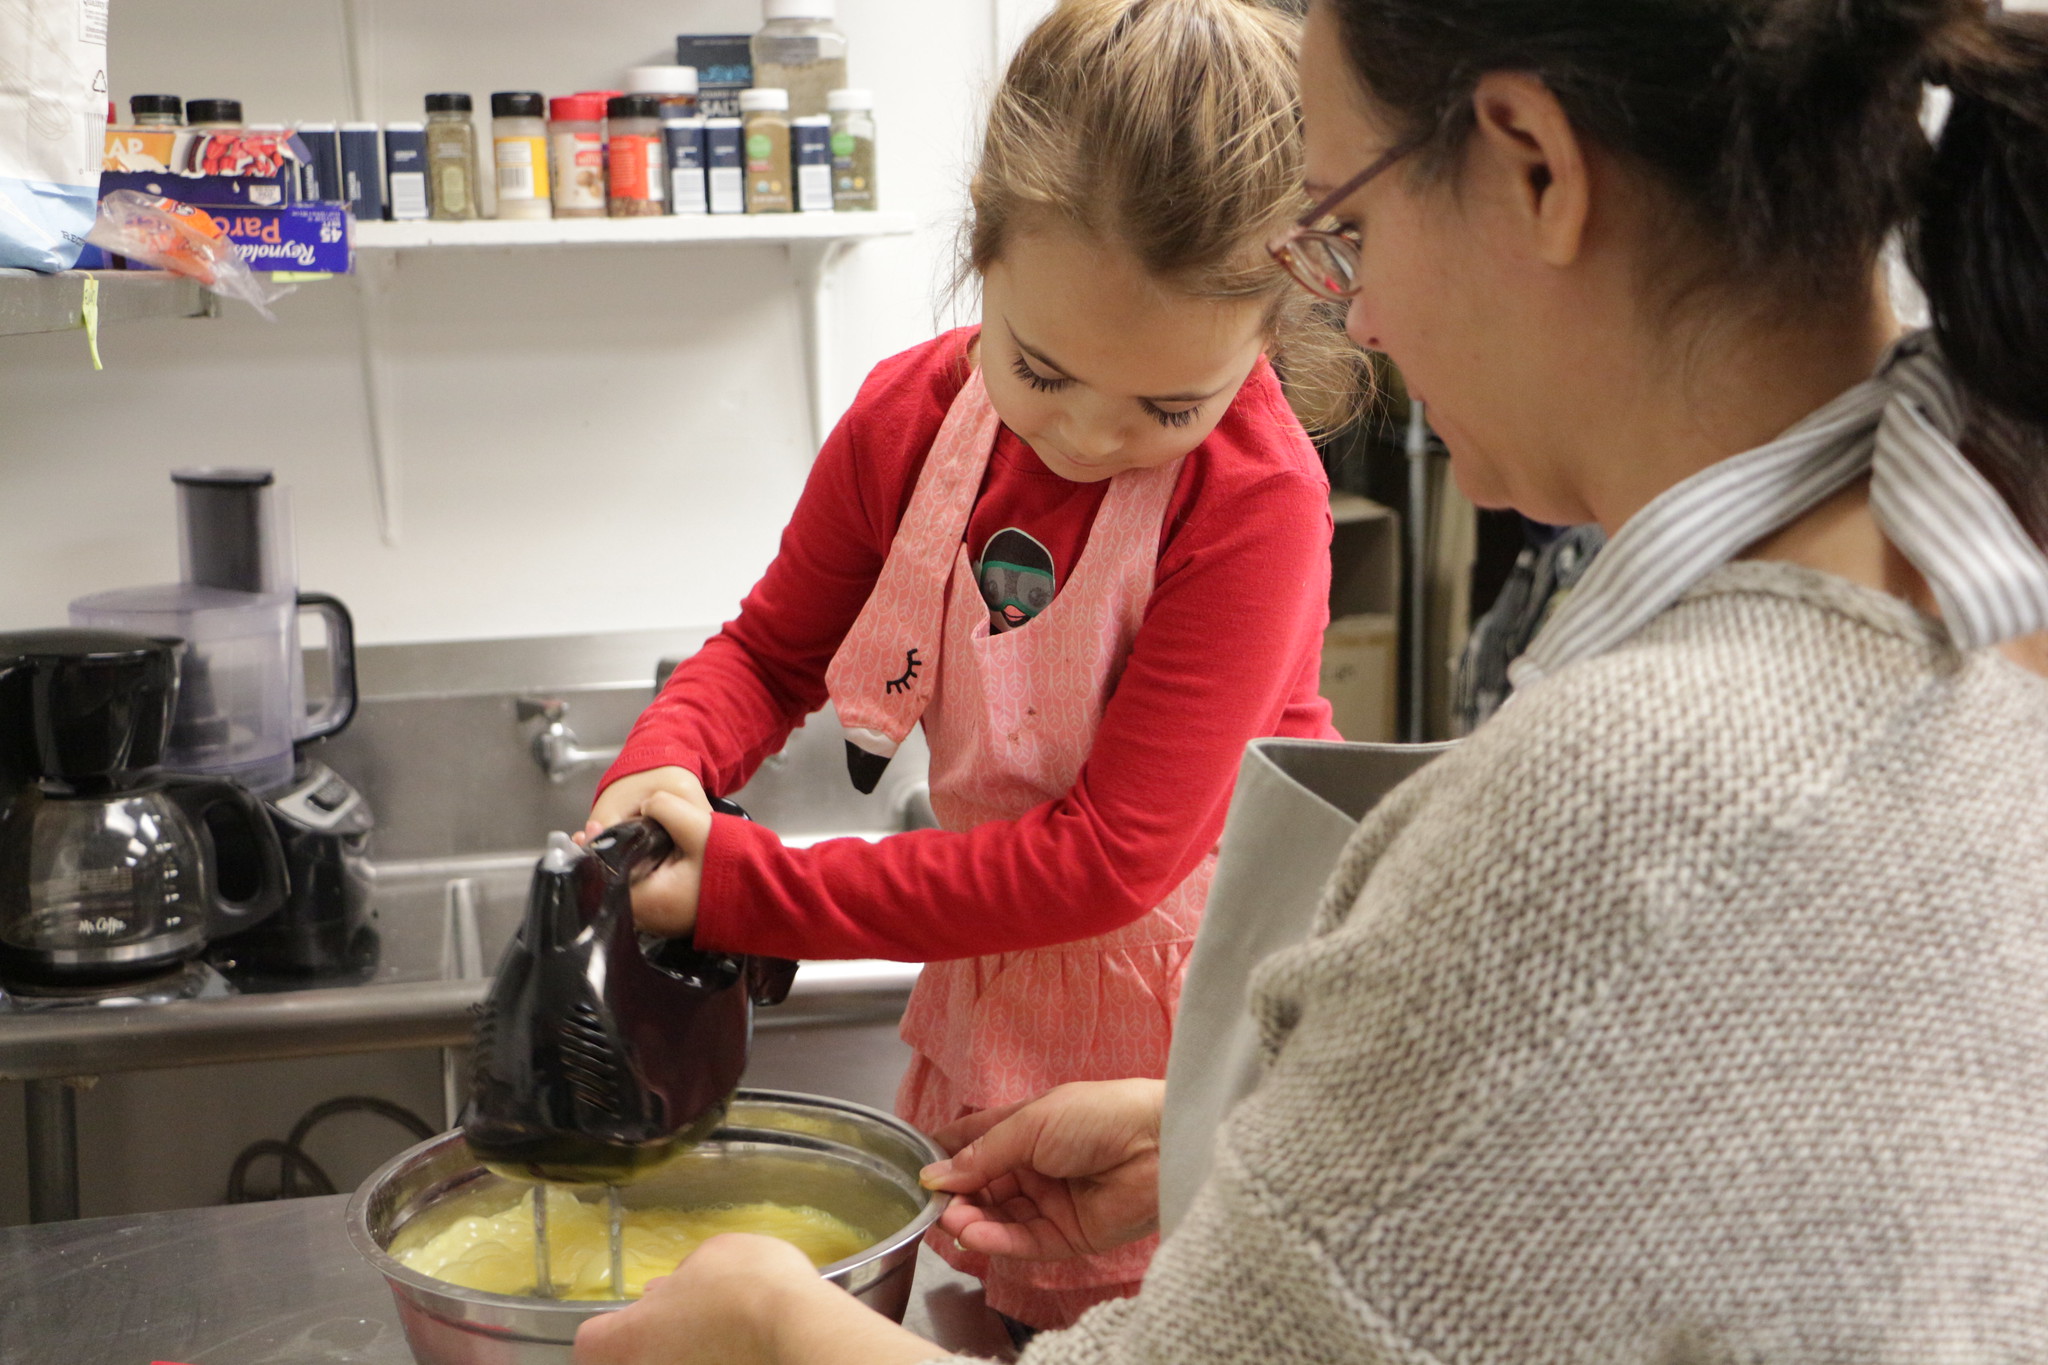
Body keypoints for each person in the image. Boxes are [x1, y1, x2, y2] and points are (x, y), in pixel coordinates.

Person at [576, 0, 2048, 1358]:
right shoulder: (1965, 586)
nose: (1363, 323)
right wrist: (1232, 1134)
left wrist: (775, 1328)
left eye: (1340, 232)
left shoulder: (1630, 797)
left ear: (1534, 165)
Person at [583, 0, 1354, 1331]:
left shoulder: (1257, 501)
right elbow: (771, 652)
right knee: (1001, 1296)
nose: (1090, 437)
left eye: (1171, 405)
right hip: (1006, 966)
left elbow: (1114, 858)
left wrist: (749, 889)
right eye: (1041, 368)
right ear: (983, 250)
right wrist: (664, 764)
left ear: (1273, 329)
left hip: (1193, 1015)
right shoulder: (909, 419)